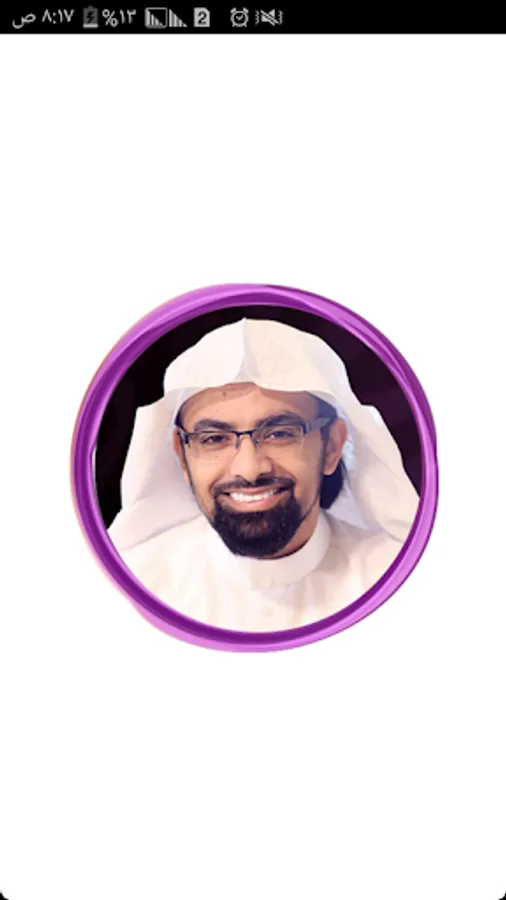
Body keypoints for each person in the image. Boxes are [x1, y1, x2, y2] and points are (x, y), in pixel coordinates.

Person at [105, 318, 419, 632]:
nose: (249, 469)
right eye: (214, 439)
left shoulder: (400, 583)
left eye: (280, 433)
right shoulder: (132, 588)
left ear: (332, 446)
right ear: (182, 456)